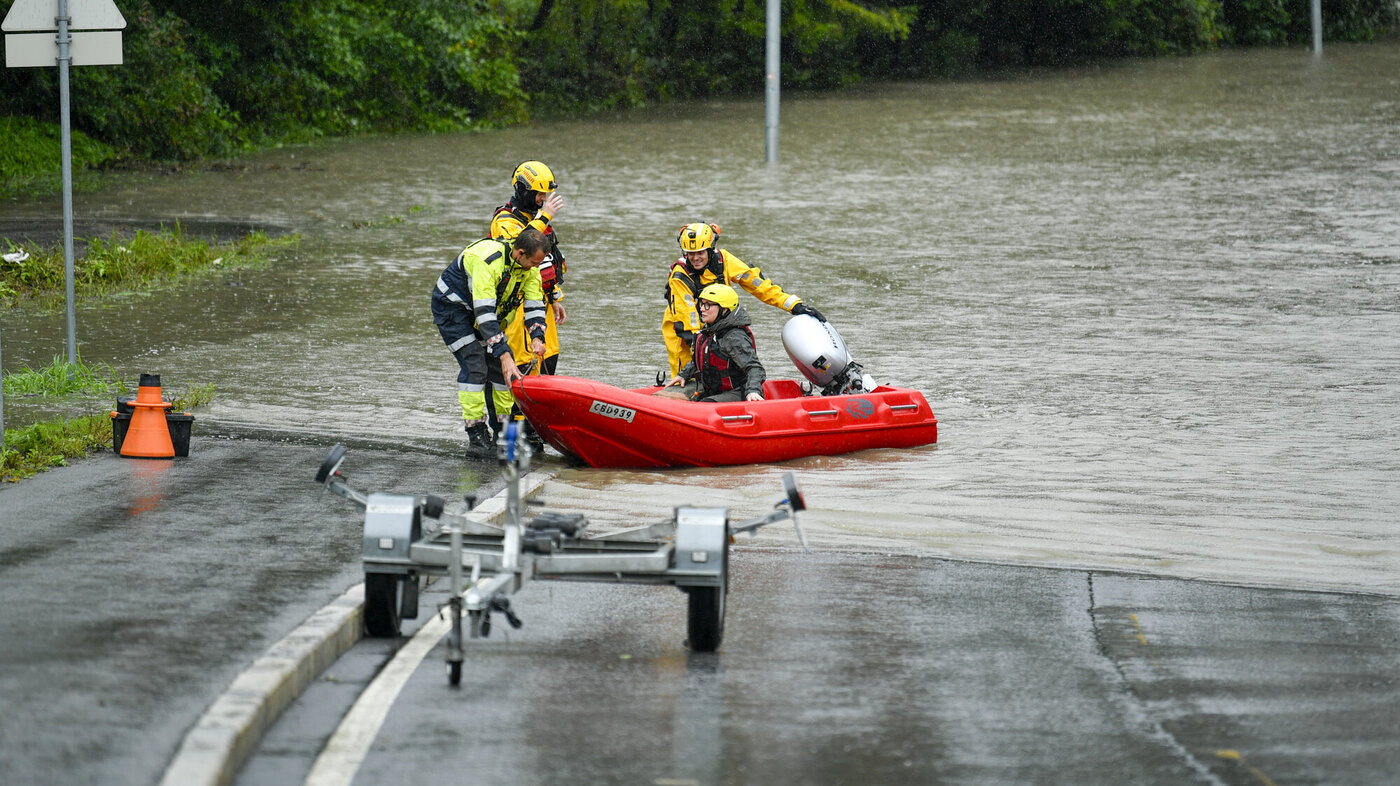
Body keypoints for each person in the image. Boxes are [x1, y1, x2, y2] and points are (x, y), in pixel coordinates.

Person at [431, 228, 552, 458]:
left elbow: (535, 306)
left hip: (486, 315)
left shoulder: (530, 268)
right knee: (476, 366)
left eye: (539, 263)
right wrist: (504, 353)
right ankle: (476, 434)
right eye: (534, 262)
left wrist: (537, 337)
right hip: (453, 310)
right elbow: (484, 313)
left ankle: (502, 432)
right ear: (520, 253)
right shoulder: (488, 260)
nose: (537, 268)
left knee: (503, 371)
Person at [662, 221, 826, 378]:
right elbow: (687, 318)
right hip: (683, 329)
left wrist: (794, 305)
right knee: (690, 370)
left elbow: (757, 284)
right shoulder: (680, 276)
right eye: (690, 254)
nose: (695, 258)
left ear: (710, 250)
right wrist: (700, 347)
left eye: (700, 253)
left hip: (719, 322)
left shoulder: (724, 260)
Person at [490, 160, 567, 452]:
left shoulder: (537, 216)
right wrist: (544, 217)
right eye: (538, 194)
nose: (542, 200)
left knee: (547, 363)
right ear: (521, 189)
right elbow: (517, 251)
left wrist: (555, 295)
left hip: (541, 300)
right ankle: (513, 436)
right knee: (522, 370)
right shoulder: (506, 220)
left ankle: (536, 430)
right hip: (518, 303)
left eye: (544, 196)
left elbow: (544, 260)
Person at [666, 283, 766, 402]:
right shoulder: (708, 331)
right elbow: (701, 360)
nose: (702, 309)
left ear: (724, 310)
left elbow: (754, 368)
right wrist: (683, 375)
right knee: (666, 395)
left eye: (708, 305)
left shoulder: (734, 337)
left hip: (737, 392)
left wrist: (753, 391)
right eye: (702, 304)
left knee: (705, 405)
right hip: (713, 390)